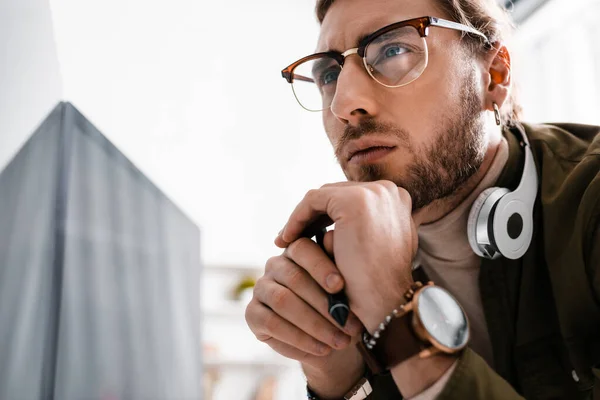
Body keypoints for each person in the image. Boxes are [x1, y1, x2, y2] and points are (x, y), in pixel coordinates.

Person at [244, 0, 600, 398]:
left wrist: (398, 312)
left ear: (494, 74)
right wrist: (342, 381)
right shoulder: (345, 267)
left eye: (392, 50)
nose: (344, 104)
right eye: (330, 73)